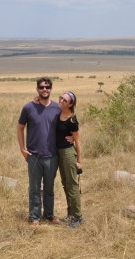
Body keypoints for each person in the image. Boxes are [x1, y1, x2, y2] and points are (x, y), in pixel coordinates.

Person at [17, 77, 71, 226]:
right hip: (34, 155)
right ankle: (34, 217)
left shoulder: (57, 108)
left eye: (47, 87)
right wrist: (22, 149)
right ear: (37, 89)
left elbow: (69, 119)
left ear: (51, 89)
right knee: (34, 188)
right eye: (41, 87)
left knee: (49, 187)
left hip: (52, 155)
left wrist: (72, 137)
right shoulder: (28, 108)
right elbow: (20, 128)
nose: (44, 89)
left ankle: (49, 215)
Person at [57, 91, 83, 228]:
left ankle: (78, 217)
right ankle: (70, 214)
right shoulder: (57, 113)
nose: (61, 101)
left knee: (72, 185)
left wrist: (79, 161)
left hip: (68, 153)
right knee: (65, 184)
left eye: (65, 100)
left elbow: (77, 141)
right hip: (59, 153)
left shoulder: (72, 120)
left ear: (71, 104)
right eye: (61, 98)